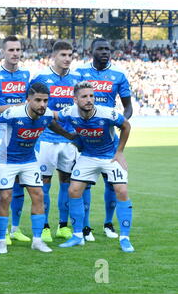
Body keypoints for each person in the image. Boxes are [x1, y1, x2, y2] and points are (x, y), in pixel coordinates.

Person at [0, 82, 75, 254]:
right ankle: (1, 240)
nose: (42, 105)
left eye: (45, 100)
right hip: (6, 160)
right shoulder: (13, 114)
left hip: (29, 160)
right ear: (28, 100)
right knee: (5, 197)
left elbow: (51, 123)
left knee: (38, 196)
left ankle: (37, 240)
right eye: (38, 100)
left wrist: (68, 135)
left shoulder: (45, 114)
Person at [57, 81, 134, 253]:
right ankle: (77, 236)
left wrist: (120, 152)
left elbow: (126, 126)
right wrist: (70, 137)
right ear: (75, 99)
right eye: (84, 96)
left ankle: (125, 238)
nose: (89, 100)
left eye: (91, 96)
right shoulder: (69, 112)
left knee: (121, 191)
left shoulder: (107, 113)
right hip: (88, 156)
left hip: (110, 156)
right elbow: (53, 118)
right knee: (73, 190)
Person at [75, 38, 133, 240]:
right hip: (85, 137)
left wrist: (118, 120)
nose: (105, 52)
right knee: (85, 183)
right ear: (91, 51)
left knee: (112, 183)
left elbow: (128, 106)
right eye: (100, 49)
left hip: (107, 136)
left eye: (107, 49)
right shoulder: (79, 73)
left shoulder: (118, 75)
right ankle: (85, 226)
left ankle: (109, 224)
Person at [30, 41, 83, 242]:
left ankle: (63, 225)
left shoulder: (77, 79)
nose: (67, 58)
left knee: (67, 183)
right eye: (63, 55)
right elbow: (33, 105)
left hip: (69, 142)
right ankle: (44, 226)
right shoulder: (42, 78)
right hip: (46, 139)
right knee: (44, 184)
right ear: (54, 56)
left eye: (70, 54)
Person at [0, 35, 32, 245]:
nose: (15, 53)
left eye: (18, 50)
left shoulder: (26, 75)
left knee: (20, 184)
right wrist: (7, 109)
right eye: (11, 50)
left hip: (21, 134)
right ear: (2, 52)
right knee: (2, 185)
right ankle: (1, 231)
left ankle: (15, 228)